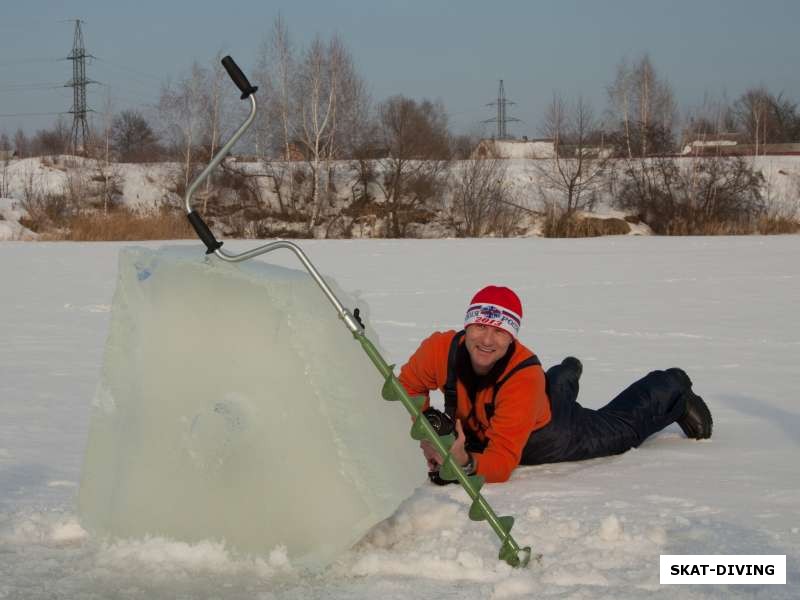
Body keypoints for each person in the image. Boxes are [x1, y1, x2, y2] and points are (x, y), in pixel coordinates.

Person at [398, 285, 713, 484]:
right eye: (479, 327)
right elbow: (407, 387)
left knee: (622, 430)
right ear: (466, 326)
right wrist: (428, 432)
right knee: (549, 390)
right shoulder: (439, 349)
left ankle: (669, 387)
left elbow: (504, 461)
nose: (486, 340)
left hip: (547, 434)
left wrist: (463, 461)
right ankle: (564, 376)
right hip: (516, 410)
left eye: (500, 332)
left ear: (513, 337)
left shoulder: (523, 376)